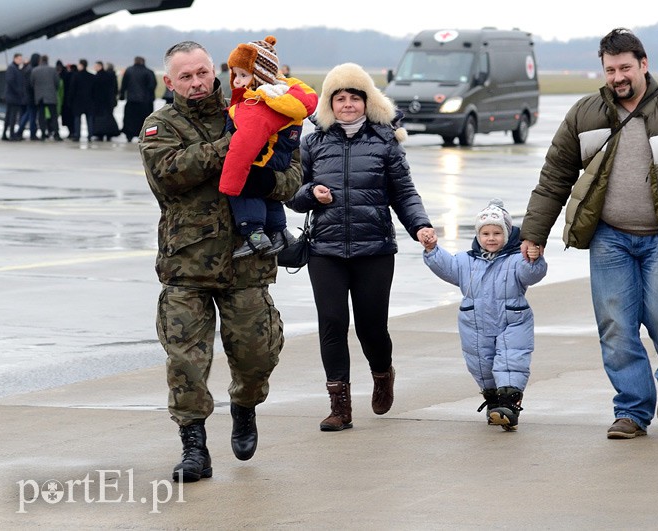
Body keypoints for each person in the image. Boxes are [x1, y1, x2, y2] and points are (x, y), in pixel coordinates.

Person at [519, 28, 658, 440]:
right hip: (609, 237)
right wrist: (534, 232)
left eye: (624, 68)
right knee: (616, 327)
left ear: (643, 64)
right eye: (609, 70)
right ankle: (633, 411)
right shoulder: (585, 113)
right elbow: (554, 178)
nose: (617, 77)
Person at [138, 40, 302, 482]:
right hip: (186, 267)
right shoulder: (160, 125)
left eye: (202, 73)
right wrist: (235, 145)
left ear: (216, 71)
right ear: (169, 81)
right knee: (185, 364)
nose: (196, 83)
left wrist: (261, 170)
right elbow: (170, 174)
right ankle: (194, 446)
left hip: (246, 263)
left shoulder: (252, 107)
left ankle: (245, 405)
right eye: (185, 77)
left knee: (257, 356)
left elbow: (291, 177)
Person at [286, 62, 436, 432]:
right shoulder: (313, 143)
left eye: (355, 97)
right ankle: (340, 407)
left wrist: (420, 225)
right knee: (333, 324)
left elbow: (404, 193)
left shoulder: (385, 141)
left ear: (367, 102)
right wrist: (309, 193)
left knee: (371, 327)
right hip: (326, 250)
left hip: (375, 250)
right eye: (340, 98)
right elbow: (290, 191)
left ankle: (382, 373)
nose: (348, 104)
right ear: (329, 103)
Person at [423, 199, 547, 431]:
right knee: (481, 363)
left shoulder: (516, 260)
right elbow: (446, 267)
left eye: (497, 233)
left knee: (511, 360)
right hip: (475, 324)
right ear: (478, 235)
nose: (491, 238)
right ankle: (493, 401)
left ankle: (509, 403)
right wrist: (432, 250)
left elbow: (532, 274)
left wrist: (534, 257)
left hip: (513, 320)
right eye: (486, 233)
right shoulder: (465, 261)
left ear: (508, 234)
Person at [221, 36, 318, 259]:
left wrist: (230, 182)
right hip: (278, 156)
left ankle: (254, 233)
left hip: (262, 156)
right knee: (267, 193)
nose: (236, 81)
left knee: (245, 189)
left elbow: (244, 144)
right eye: (235, 75)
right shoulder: (281, 95)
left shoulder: (257, 104)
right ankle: (279, 231)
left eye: (243, 75)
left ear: (260, 76)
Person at [119, 56, 157, 142]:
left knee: (129, 119)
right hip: (145, 101)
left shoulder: (129, 70)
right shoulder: (149, 72)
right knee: (144, 120)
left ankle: (129, 134)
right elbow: (152, 85)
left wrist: (122, 95)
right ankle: (144, 135)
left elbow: (124, 84)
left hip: (131, 99)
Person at [30, 54, 62, 141]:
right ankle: (56, 134)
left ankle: (43, 134)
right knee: (54, 116)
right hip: (51, 96)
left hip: (39, 97)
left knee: (41, 116)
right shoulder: (53, 70)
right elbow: (57, 83)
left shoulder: (35, 70)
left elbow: (32, 83)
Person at [91, 60, 121, 141]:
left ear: (100, 66)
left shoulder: (98, 76)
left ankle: (100, 134)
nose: (94, 68)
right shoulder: (109, 76)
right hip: (108, 101)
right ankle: (109, 134)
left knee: (100, 119)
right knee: (108, 118)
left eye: (96, 66)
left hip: (101, 101)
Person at [67, 59, 95, 141]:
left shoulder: (76, 76)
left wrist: (70, 100)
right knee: (89, 119)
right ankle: (90, 135)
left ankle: (77, 135)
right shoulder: (92, 76)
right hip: (89, 101)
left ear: (81, 65)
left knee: (77, 119)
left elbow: (72, 89)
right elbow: (94, 90)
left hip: (78, 101)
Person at [17, 52, 40, 140]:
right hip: (31, 97)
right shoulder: (31, 70)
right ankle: (32, 133)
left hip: (28, 96)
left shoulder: (28, 69)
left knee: (28, 115)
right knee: (32, 116)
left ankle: (20, 131)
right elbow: (30, 85)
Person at [2, 53, 25, 141]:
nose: (20, 60)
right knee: (12, 116)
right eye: (19, 59)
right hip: (13, 97)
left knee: (9, 116)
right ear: (15, 58)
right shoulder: (12, 68)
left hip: (12, 96)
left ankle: (6, 134)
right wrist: (18, 91)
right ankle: (11, 134)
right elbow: (10, 81)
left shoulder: (14, 68)